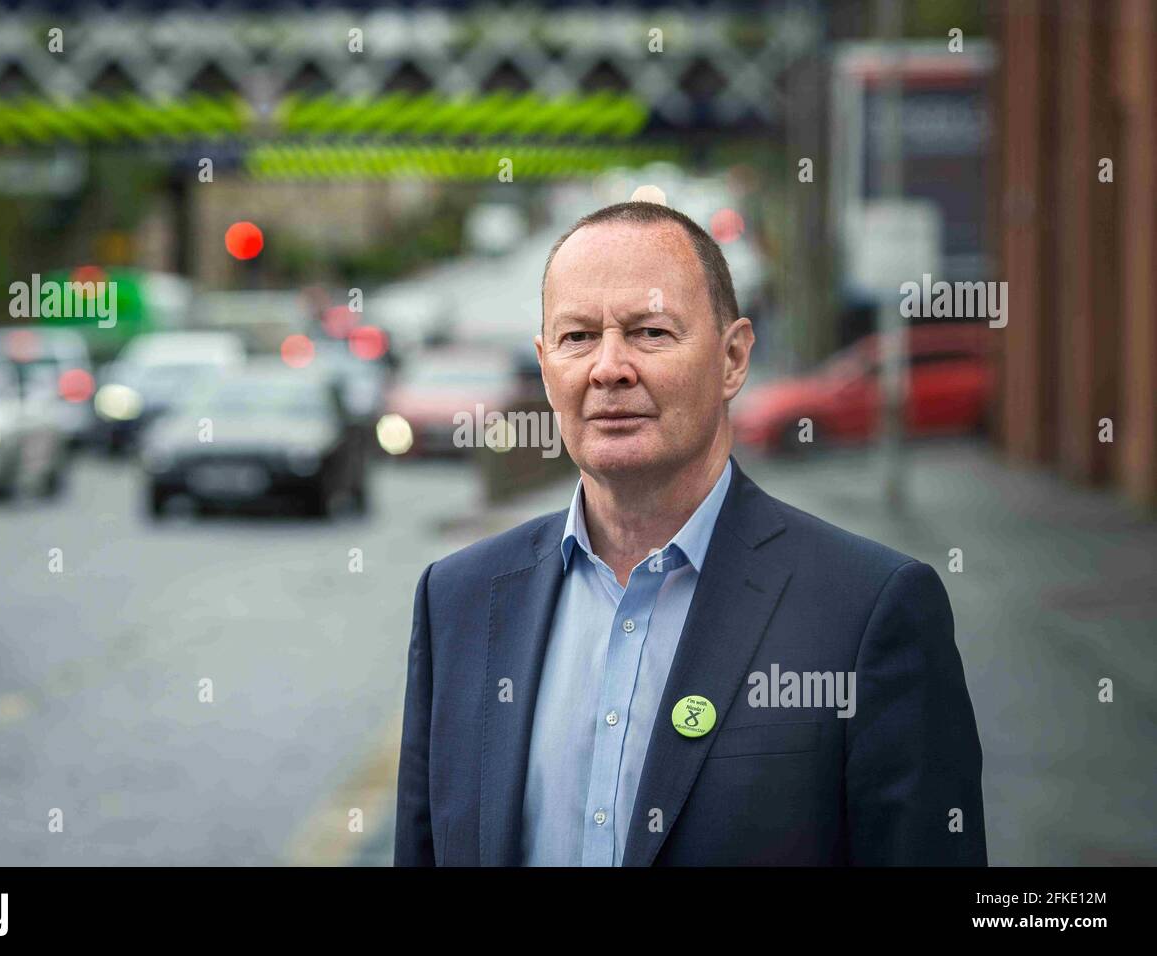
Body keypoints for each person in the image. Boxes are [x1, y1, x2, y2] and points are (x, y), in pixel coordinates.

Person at [394, 197, 987, 866]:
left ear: (733, 358)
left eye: (650, 332)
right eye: (577, 336)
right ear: (545, 362)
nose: (609, 368)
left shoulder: (870, 610)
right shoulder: (459, 601)